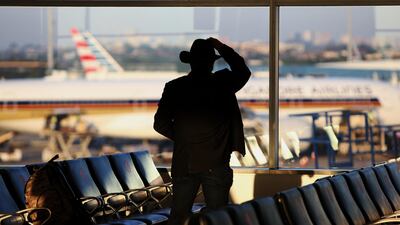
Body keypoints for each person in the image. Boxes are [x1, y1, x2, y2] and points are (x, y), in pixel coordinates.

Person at [153, 37, 251, 225]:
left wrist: (184, 138)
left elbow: (160, 123)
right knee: (218, 217)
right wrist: (220, 46)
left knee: (178, 216)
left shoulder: (174, 87)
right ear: (211, 63)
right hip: (217, 162)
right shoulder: (223, 83)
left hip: (184, 162)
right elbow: (242, 70)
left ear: (191, 62)